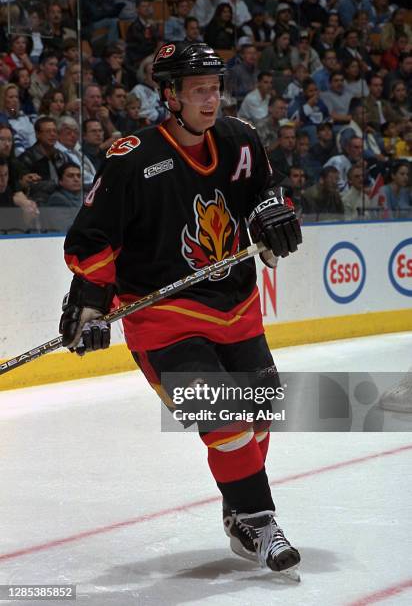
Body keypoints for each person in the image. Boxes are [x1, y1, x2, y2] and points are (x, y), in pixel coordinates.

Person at [58, 41, 302, 578]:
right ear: (170, 96)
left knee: (261, 415)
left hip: (236, 305)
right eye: (199, 91)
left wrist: (272, 213)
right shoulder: (132, 159)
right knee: (226, 420)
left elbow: (268, 190)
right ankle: (259, 520)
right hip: (163, 319)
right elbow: (93, 238)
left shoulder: (241, 140)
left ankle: (239, 508)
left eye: (215, 89)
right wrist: (88, 304)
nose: (211, 100)